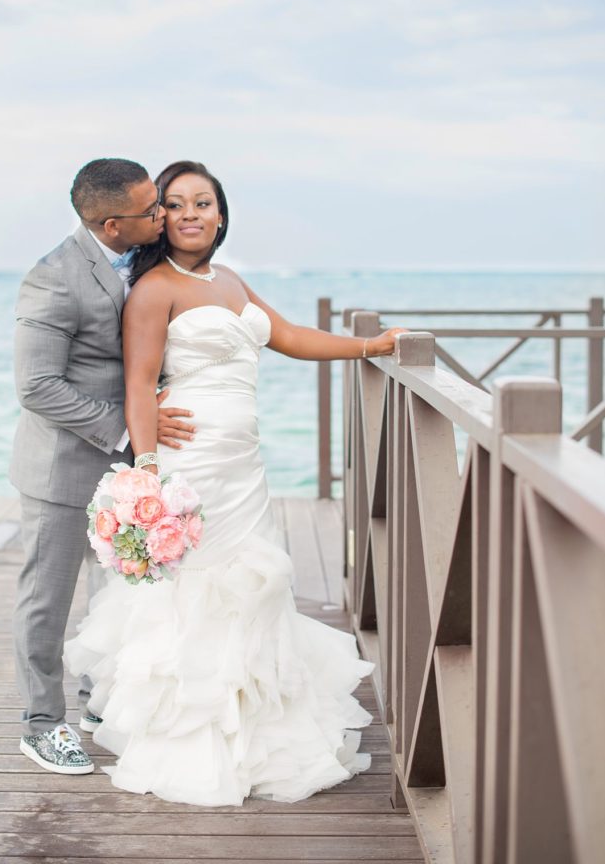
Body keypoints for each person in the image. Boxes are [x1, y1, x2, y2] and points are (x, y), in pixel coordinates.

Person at [64, 160, 407, 804]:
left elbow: (292, 336)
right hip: (190, 464)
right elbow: (139, 383)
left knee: (256, 583)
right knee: (199, 589)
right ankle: (192, 731)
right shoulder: (154, 289)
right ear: (158, 218)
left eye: (203, 202)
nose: (190, 213)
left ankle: (257, 722)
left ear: (221, 214)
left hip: (243, 464)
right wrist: (145, 472)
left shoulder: (231, 280)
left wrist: (374, 346)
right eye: (176, 203)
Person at [11, 158, 196, 776]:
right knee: (48, 601)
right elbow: (36, 386)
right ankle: (42, 725)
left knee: (114, 595)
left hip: (130, 469)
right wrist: (123, 426)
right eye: (153, 210)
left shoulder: (144, 259)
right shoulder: (53, 278)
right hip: (63, 469)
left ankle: (99, 704)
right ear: (113, 224)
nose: (164, 215)